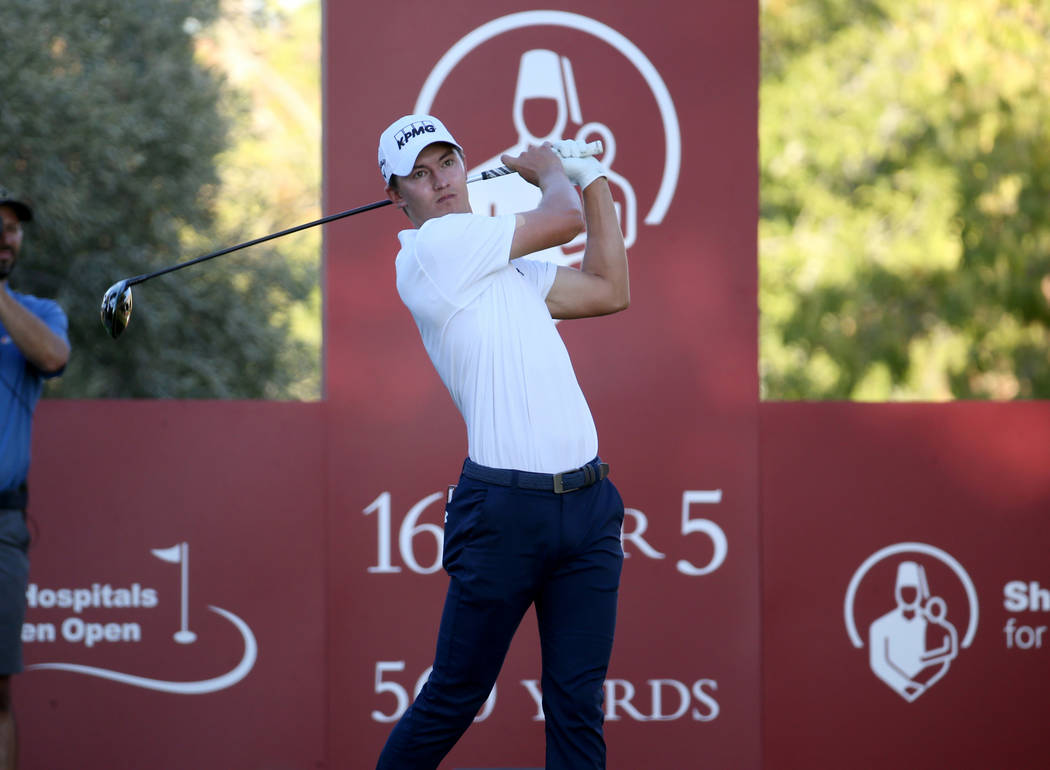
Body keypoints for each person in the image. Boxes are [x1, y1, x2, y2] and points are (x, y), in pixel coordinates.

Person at [374, 114, 629, 770]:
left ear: (464, 165)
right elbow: (564, 221)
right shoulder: (432, 252)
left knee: (576, 704)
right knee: (455, 694)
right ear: (398, 198)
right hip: (505, 510)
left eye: (447, 163)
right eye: (420, 175)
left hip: (589, 505)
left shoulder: (503, 267)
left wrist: (591, 176)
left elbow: (608, 289)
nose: (441, 181)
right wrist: (551, 168)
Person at [0, 185, 70, 770]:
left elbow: (53, 357)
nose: (5, 237)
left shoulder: (37, 314)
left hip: (2, 526)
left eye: (12, 228)